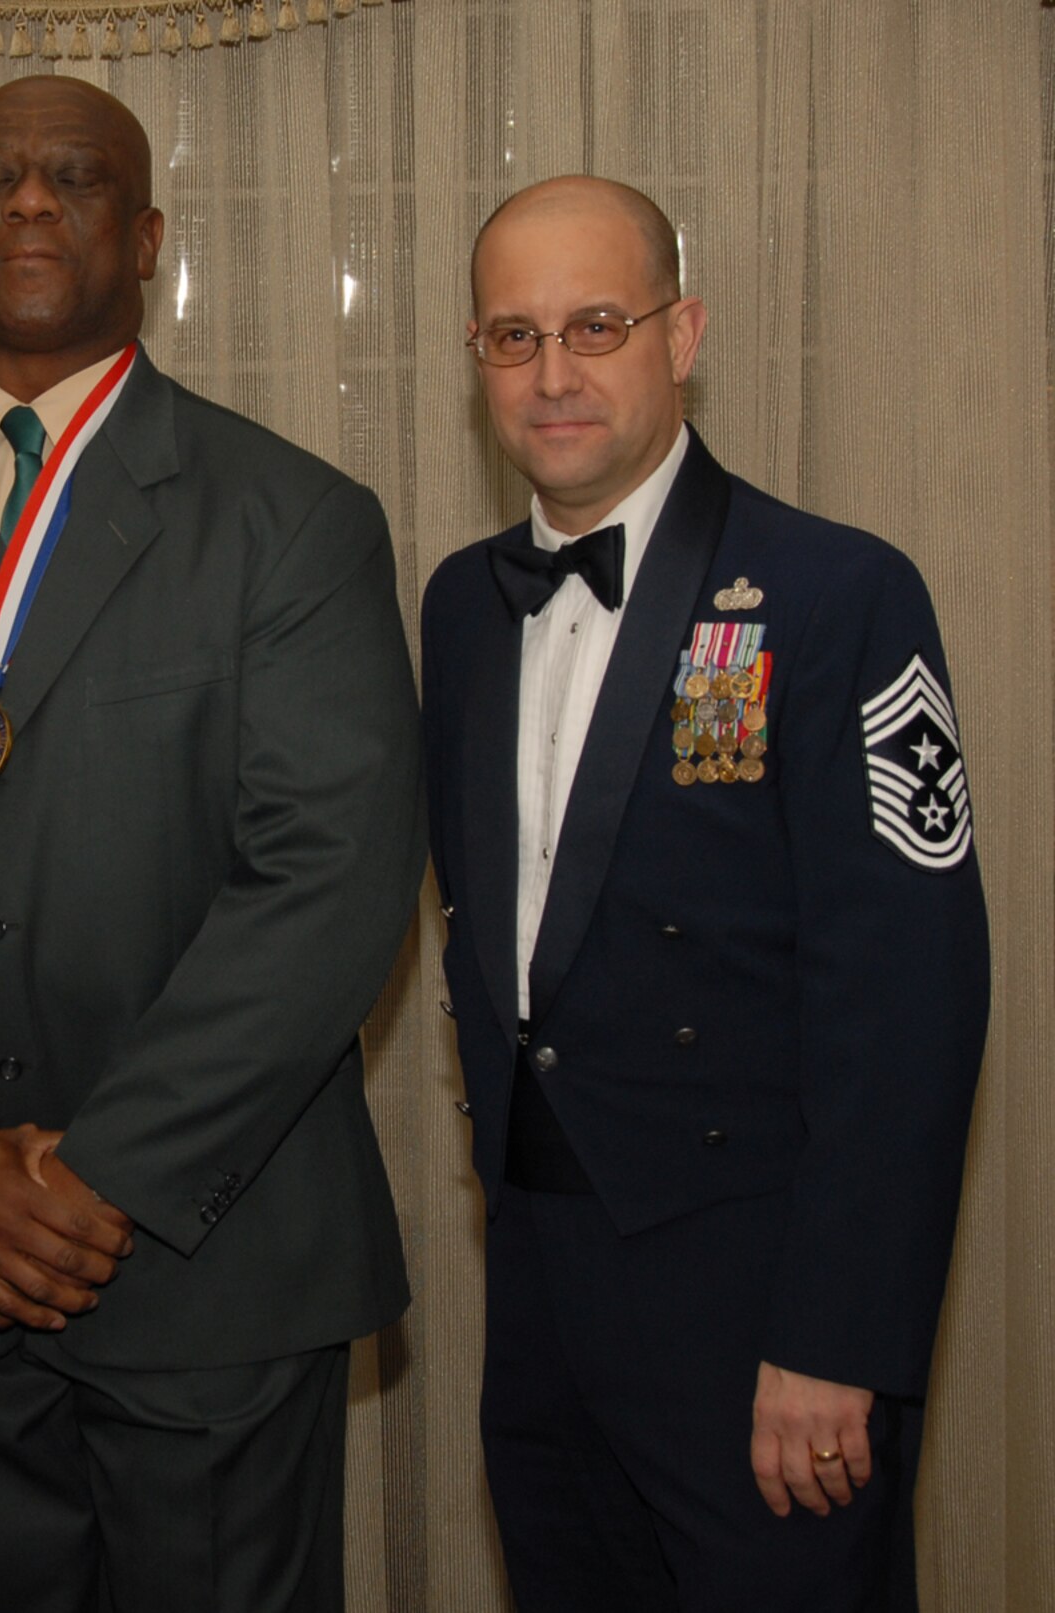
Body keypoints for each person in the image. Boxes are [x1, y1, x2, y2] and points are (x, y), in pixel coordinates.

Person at [0, 76, 424, 1613]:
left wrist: (100, 1178)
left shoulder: (293, 521)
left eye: (76, 176)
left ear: (149, 235)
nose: (32, 200)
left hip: (212, 1277)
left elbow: (330, 882)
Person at [422, 174, 988, 1611]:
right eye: (514, 335)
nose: (554, 374)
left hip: (763, 1309)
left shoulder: (834, 591)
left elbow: (909, 1004)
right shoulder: (461, 605)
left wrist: (837, 1338)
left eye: (595, 326)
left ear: (682, 337)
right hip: (542, 1286)